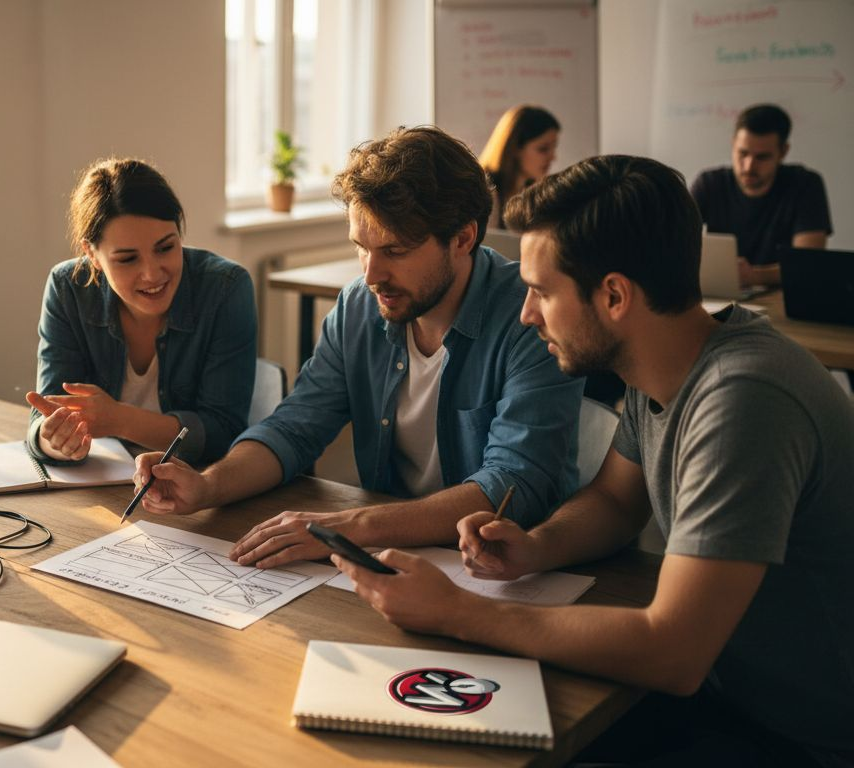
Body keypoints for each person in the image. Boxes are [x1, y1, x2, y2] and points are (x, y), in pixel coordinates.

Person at [335, 155, 854, 766]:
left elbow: (673, 651)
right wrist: (537, 546)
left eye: (540, 291)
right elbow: (613, 502)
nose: (526, 314)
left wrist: (458, 611)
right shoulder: (664, 362)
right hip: (723, 694)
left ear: (613, 295)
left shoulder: (744, 399)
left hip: (800, 736)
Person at [133, 126, 583, 568]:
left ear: (463, 238)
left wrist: (350, 526)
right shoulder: (358, 306)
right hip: (393, 557)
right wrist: (208, 486)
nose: (371, 276)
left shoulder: (531, 317)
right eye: (361, 249)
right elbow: (295, 428)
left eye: (395, 251)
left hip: (509, 570)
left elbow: (514, 483)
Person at [25, 158, 256, 466]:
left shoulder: (225, 288)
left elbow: (222, 433)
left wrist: (119, 420)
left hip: (194, 487)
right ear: (91, 254)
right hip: (102, 485)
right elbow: (46, 416)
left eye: (165, 248)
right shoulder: (68, 288)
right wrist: (57, 440)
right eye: (127, 259)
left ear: (179, 234)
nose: (151, 274)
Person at [690, 103, 833, 288]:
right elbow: (672, 243)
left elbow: (807, 263)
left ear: (783, 152)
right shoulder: (709, 183)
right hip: (720, 296)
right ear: (733, 144)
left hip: (781, 300)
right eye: (743, 153)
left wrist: (755, 276)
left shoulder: (805, 184)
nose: (749, 166)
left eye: (762, 157)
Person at [477, 105, 561, 231]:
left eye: (554, 148)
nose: (553, 157)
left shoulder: (537, 194)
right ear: (515, 148)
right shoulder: (486, 192)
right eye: (543, 149)